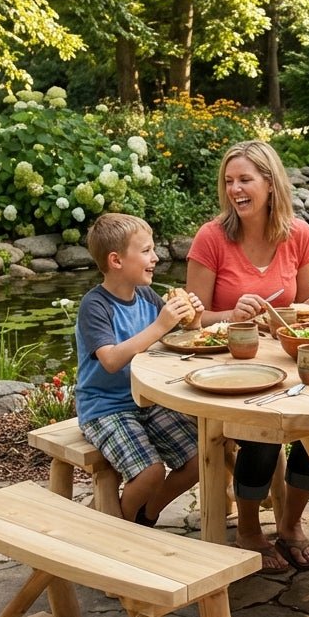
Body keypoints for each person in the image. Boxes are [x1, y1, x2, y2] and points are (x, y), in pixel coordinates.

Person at [186, 140, 309, 572]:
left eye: (245, 180)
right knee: (261, 426)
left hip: (284, 361)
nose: (235, 189)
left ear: (270, 184)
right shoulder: (212, 237)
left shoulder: (299, 235)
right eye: (229, 181)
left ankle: (290, 523)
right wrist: (232, 314)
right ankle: (250, 529)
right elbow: (192, 319)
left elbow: (306, 308)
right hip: (226, 367)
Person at [76, 213, 204, 528]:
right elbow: (110, 360)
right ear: (116, 260)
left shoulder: (146, 296)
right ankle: (123, 527)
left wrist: (194, 321)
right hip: (105, 407)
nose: (155, 257)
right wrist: (161, 324)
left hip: (144, 400)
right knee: (150, 472)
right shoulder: (96, 306)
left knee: (200, 458)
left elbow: (178, 341)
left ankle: (147, 516)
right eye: (146, 250)